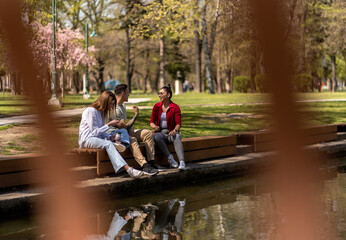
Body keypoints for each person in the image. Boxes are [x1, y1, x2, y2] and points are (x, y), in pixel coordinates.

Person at [79, 90, 143, 178]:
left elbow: (100, 133)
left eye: (113, 104)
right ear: (104, 102)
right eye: (110, 104)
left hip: (96, 138)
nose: (111, 107)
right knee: (108, 144)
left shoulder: (101, 113)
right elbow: (94, 132)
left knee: (122, 132)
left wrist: (110, 136)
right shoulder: (91, 111)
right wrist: (109, 125)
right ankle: (129, 169)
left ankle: (119, 144)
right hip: (87, 139)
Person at [105, 84, 159, 176]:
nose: (128, 95)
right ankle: (144, 165)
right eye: (127, 92)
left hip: (125, 132)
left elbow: (126, 127)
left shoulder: (122, 106)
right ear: (122, 93)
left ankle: (151, 162)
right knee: (133, 140)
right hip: (116, 135)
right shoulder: (115, 109)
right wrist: (136, 115)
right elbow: (125, 127)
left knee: (148, 133)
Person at [150, 84, 186, 170]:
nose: (159, 95)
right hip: (161, 134)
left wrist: (175, 130)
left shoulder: (175, 107)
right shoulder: (156, 106)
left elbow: (178, 124)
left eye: (162, 93)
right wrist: (154, 126)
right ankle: (170, 158)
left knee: (177, 136)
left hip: (171, 133)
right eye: (159, 93)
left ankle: (182, 162)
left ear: (168, 95)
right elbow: (151, 122)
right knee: (155, 136)